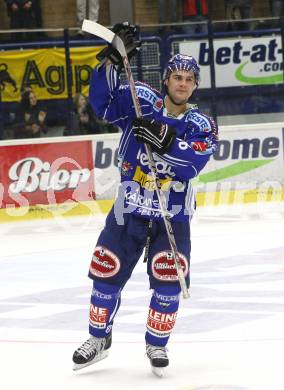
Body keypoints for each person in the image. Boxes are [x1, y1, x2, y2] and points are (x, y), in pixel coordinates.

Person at [72, 23, 218, 376]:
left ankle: (156, 344)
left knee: (168, 285)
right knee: (105, 275)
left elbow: (192, 165)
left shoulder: (203, 124)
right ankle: (98, 339)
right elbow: (103, 105)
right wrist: (108, 63)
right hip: (128, 212)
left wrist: (164, 138)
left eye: (189, 79)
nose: (182, 83)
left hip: (173, 216)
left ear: (195, 85)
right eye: (177, 77)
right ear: (166, 79)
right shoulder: (141, 100)